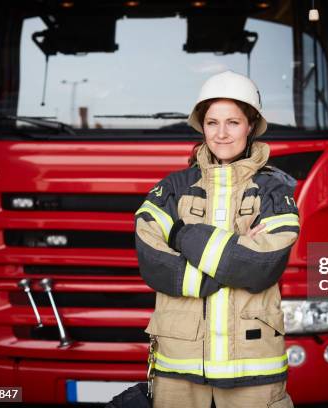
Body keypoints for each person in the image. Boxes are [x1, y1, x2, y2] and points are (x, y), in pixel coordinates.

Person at [134, 70, 299, 408]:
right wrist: (232, 255)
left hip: (253, 363)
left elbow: (260, 266)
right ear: (202, 126)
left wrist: (181, 235)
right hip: (179, 360)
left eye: (233, 123)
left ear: (251, 125)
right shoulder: (173, 187)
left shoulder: (274, 190)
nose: (221, 134)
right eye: (212, 123)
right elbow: (152, 261)